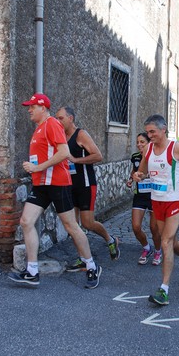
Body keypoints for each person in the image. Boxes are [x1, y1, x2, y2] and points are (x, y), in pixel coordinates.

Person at [8, 94, 102, 289]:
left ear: (43, 107)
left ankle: (91, 266)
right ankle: (32, 271)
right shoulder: (39, 128)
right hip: (41, 185)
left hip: (58, 184)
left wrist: (38, 167)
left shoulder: (52, 124)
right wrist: (34, 168)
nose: (29, 110)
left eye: (32, 106)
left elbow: (64, 153)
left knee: (71, 227)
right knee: (26, 221)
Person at [133, 114, 179, 306]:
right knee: (171, 242)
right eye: (148, 132)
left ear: (163, 129)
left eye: (152, 132)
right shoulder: (148, 149)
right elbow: (143, 171)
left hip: (175, 199)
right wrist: (138, 175)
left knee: (165, 241)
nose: (150, 136)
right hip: (157, 200)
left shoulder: (176, 148)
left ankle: (163, 290)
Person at [55, 106, 120, 271]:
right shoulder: (60, 136)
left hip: (85, 184)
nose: (58, 121)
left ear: (71, 118)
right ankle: (83, 258)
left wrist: (76, 160)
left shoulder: (81, 135)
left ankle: (110, 239)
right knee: (73, 225)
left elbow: (98, 155)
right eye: (57, 118)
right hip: (69, 185)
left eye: (61, 118)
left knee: (88, 223)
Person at [126, 132, 162, 265]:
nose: (139, 145)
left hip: (154, 196)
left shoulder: (156, 157)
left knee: (154, 228)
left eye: (142, 142)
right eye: (138, 142)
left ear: (149, 143)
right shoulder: (135, 157)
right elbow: (134, 171)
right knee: (136, 226)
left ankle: (158, 251)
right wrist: (130, 179)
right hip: (140, 195)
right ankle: (147, 247)